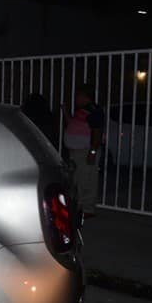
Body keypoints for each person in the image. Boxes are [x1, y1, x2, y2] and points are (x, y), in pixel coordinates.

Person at [63, 84, 104, 219]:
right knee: (77, 179)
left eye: (77, 96)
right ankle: (79, 206)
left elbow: (97, 132)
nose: (76, 99)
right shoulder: (81, 110)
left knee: (87, 180)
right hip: (76, 151)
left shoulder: (93, 110)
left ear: (84, 96)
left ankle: (87, 209)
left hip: (86, 151)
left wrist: (92, 152)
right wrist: (66, 113)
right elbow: (73, 125)